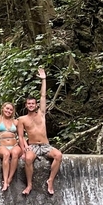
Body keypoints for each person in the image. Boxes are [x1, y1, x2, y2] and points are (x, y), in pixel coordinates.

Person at [17, 67, 63, 196]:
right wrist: (25, 148)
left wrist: (44, 79)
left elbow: (43, 96)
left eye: (33, 103)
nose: (31, 105)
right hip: (32, 146)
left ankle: (50, 180)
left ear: (36, 105)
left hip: (45, 145)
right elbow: (20, 136)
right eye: (29, 104)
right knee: (28, 159)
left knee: (58, 155)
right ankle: (29, 184)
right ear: (26, 105)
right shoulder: (22, 119)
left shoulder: (41, 114)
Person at [0, 77, 22, 192]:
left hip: (14, 145)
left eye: (11, 110)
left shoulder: (16, 121)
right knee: (6, 155)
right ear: (3, 109)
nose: (8, 111)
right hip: (2, 145)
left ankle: (9, 179)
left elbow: (20, 136)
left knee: (15, 154)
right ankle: (5, 181)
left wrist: (24, 150)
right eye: (7, 108)